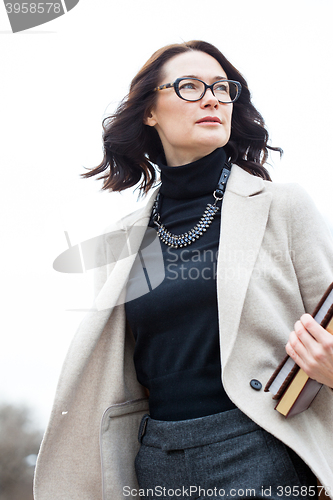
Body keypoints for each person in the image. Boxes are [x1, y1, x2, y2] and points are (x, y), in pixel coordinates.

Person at [34, 41, 333, 500]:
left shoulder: (282, 206)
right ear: (150, 111)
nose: (211, 98)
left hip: (261, 447)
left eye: (221, 88)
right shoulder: (127, 238)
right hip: (155, 461)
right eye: (189, 86)